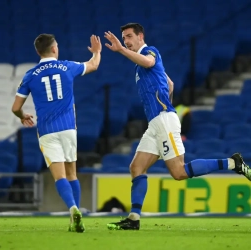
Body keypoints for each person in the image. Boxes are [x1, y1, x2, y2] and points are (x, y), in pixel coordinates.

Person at [104, 23, 251, 230]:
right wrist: (165, 101)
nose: (126, 41)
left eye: (129, 36)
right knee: (136, 167)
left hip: (163, 120)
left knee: (179, 172)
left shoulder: (149, 51)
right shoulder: (141, 65)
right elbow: (170, 84)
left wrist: (120, 50)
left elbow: (148, 61)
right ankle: (134, 219)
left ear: (140, 36)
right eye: (124, 38)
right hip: (156, 123)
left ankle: (232, 163)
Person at [11, 33, 102, 232]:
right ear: (54, 49)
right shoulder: (67, 66)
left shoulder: (30, 75)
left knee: (59, 176)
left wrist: (22, 116)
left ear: (38, 52)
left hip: (47, 131)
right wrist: (97, 52)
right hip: (69, 128)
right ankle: (76, 214)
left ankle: (72, 210)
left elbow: (16, 106)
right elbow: (94, 65)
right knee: (72, 174)